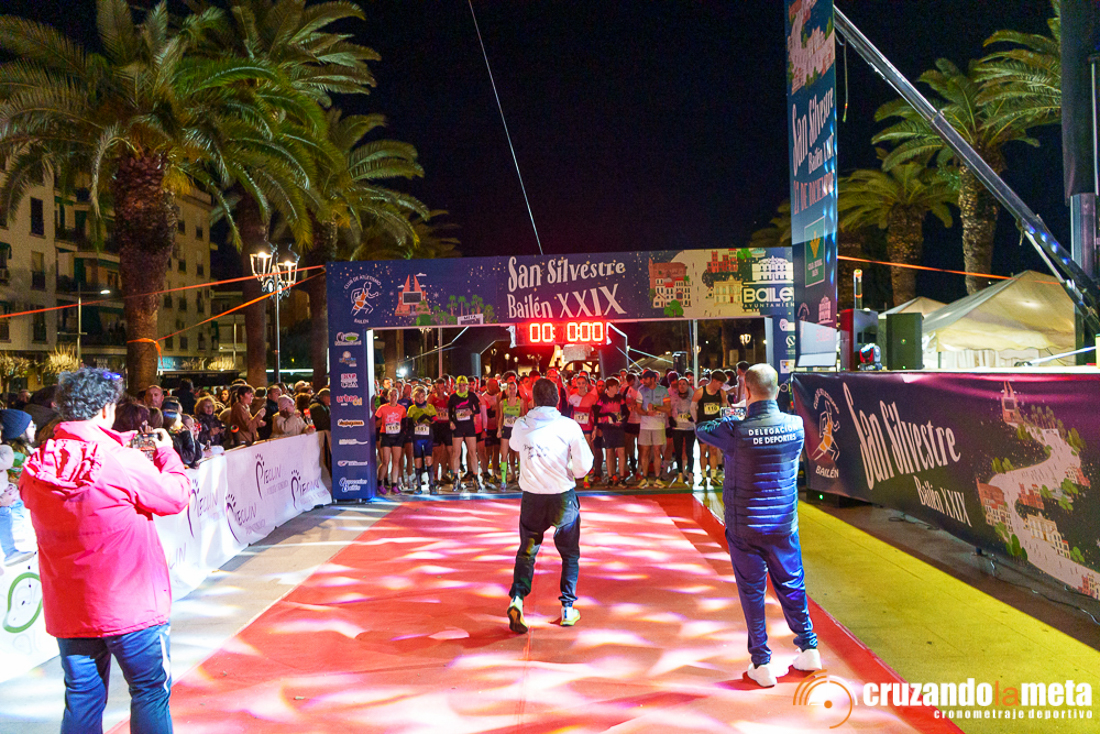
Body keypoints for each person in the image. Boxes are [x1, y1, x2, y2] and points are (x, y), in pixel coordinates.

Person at [19, 368, 191, 732]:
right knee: (150, 691)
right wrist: (166, 454)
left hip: (70, 606)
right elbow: (175, 497)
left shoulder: (36, 465)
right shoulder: (119, 461)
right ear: (104, 410)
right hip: (131, 604)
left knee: (82, 695)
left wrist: (120, 442)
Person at [695, 364, 820, 688]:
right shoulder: (795, 425)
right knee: (792, 584)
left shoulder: (735, 429)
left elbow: (702, 429)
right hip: (783, 524)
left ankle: (761, 663)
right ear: (777, 391)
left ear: (746, 391)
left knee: (752, 593)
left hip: (745, 527)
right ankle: (809, 647)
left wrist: (734, 412)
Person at [506, 378, 594, 634]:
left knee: (526, 552)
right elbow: (583, 467)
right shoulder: (568, 425)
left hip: (532, 497)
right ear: (557, 399)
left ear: (533, 399)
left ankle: (517, 599)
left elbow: (513, 445)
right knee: (569, 554)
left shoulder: (522, 424)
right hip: (561, 497)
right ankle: (567, 607)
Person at [634, 369, 669, 488]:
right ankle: (644, 478)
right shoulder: (641, 390)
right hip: (645, 425)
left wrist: (656, 407)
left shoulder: (663, 390)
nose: (643, 381)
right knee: (644, 451)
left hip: (659, 425)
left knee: (657, 451)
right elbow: (638, 409)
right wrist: (646, 413)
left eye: (646, 379)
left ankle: (657, 479)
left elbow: (668, 408)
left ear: (653, 379)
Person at [692, 369, 728, 485]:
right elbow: (692, 407)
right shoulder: (700, 392)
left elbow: (724, 409)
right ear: (714, 381)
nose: (721, 386)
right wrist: (696, 421)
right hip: (702, 425)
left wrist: (723, 422)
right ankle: (703, 477)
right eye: (720, 383)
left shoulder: (722, 393)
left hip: (715, 425)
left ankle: (713, 476)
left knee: (713, 450)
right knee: (702, 450)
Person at [669, 376, 696, 485]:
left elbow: (697, 408)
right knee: (678, 451)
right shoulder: (674, 397)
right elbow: (669, 408)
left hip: (689, 427)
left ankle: (690, 473)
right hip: (677, 427)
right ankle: (680, 473)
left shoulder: (693, 396)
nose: (681, 386)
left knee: (689, 451)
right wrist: (670, 418)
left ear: (688, 385)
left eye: (684, 384)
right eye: (680, 384)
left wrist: (694, 417)